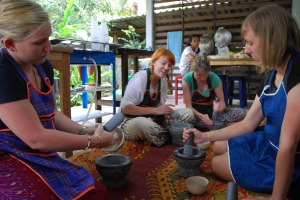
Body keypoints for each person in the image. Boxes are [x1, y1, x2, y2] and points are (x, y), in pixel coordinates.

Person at [0, 0, 116, 199]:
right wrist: (92, 141)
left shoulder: (42, 65)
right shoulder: (4, 73)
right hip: (8, 153)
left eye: (49, 38)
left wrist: (84, 130)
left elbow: (52, 113)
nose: (49, 47)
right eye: (39, 42)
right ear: (10, 44)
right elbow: (36, 138)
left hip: (37, 149)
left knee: (97, 193)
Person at [183, 4, 300, 199]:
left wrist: (276, 198)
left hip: (288, 157)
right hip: (268, 141)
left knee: (216, 164)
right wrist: (206, 137)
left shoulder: (296, 76)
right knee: (218, 146)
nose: (246, 50)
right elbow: (248, 123)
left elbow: (287, 146)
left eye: (250, 43)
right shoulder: (271, 76)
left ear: (272, 40)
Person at [120, 48, 194, 146]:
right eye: (163, 63)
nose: (166, 68)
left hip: (153, 120)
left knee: (188, 113)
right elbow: (125, 109)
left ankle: (161, 135)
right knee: (143, 124)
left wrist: (165, 112)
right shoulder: (140, 78)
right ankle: (170, 134)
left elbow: (159, 108)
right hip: (133, 122)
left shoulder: (162, 81)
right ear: (154, 62)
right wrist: (155, 110)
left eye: (169, 65)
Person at [182, 55, 246, 130]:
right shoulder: (187, 80)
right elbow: (188, 107)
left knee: (241, 112)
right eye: (199, 75)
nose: (202, 78)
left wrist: (219, 108)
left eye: (204, 75)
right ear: (193, 70)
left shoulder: (214, 78)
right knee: (186, 118)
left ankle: (217, 124)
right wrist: (201, 116)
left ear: (208, 72)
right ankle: (223, 125)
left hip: (213, 114)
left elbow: (223, 103)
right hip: (196, 115)